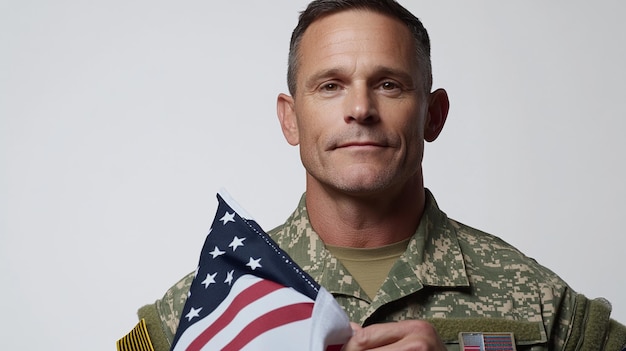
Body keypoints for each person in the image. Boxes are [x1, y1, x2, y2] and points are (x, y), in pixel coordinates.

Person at [119, 0, 626, 350]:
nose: (360, 109)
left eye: (388, 84)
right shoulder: (207, 309)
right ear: (290, 118)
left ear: (433, 114)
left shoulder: (542, 304)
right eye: (331, 85)